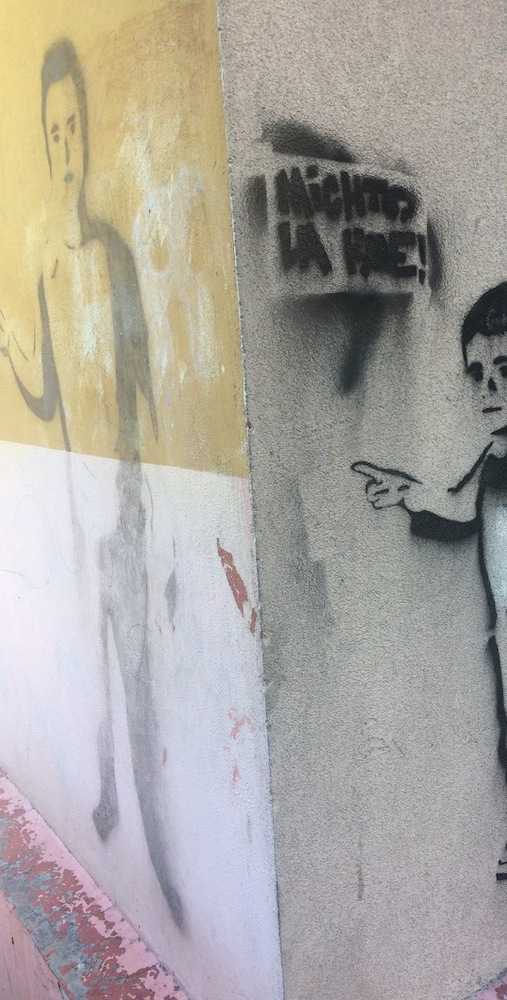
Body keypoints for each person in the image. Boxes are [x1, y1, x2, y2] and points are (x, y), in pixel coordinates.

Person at [2, 39, 183, 927]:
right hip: (78, 517)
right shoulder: (45, 271)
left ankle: (158, 855)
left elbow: (141, 390)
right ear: (44, 145)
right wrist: (15, 350)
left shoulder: (112, 255)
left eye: (75, 125)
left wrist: (166, 520)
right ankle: (109, 803)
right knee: (100, 681)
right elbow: (45, 396)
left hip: (127, 509)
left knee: (138, 685)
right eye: (54, 131)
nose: (67, 144)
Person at [353, 280, 507, 898]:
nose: (489, 387)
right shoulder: (494, 458)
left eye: (505, 369)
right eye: (476, 373)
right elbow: (458, 505)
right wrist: (406, 491)